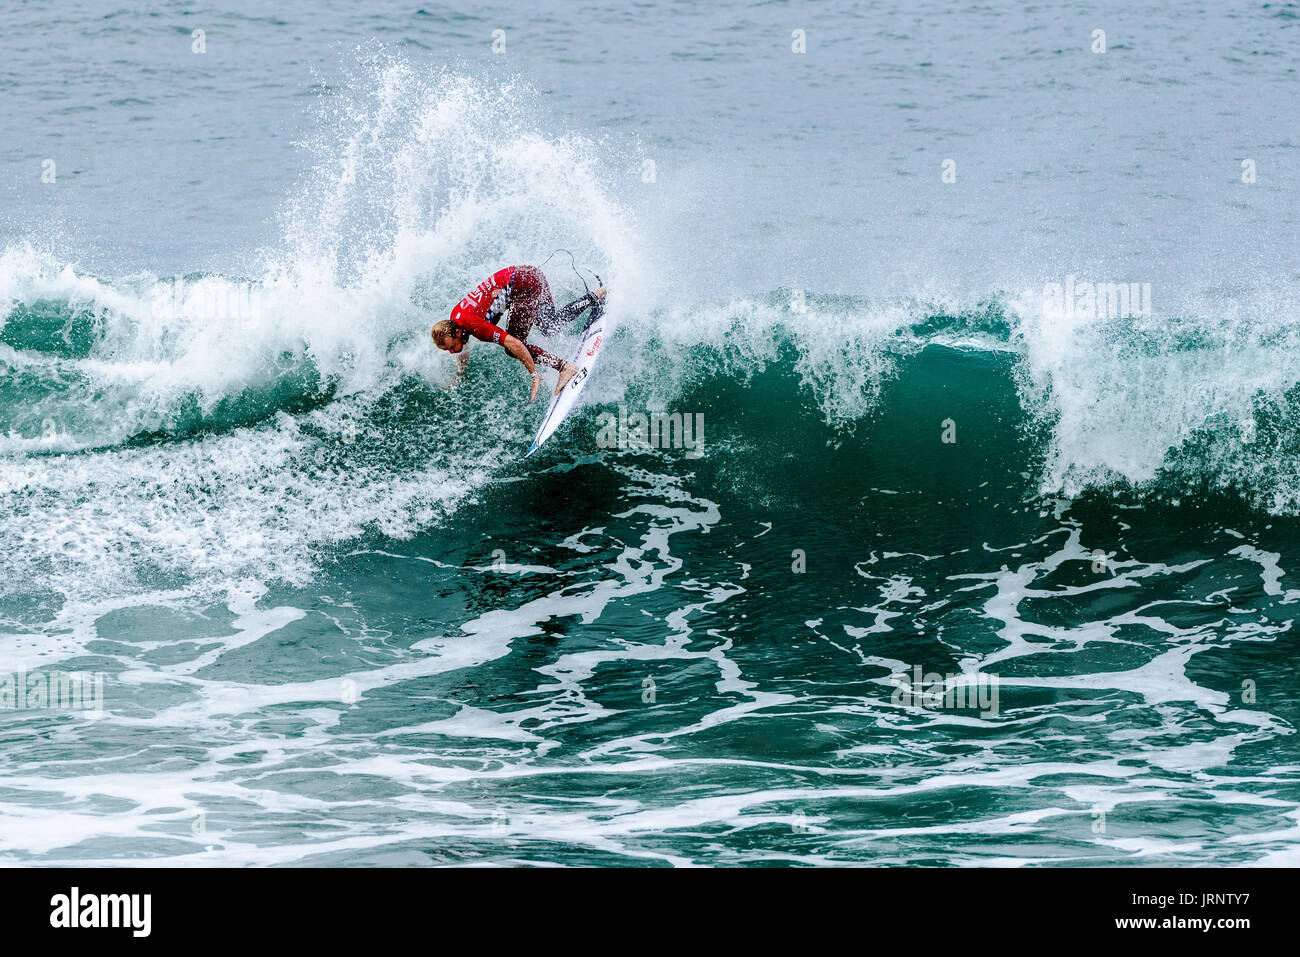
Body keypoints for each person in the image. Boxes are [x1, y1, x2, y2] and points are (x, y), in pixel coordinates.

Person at [431, 265, 606, 403]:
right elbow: (463, 344)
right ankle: (596, 296)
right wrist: (459, 374)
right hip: (530, 274)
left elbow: (515, 344)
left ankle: (564, 367)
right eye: (449, 350)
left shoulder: (475, 327)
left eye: (452, 347)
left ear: (458, 332)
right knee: (550, 325)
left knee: (511, 348)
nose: (453, 351)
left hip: (524, 287)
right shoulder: (456, 319)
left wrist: (534, 376)